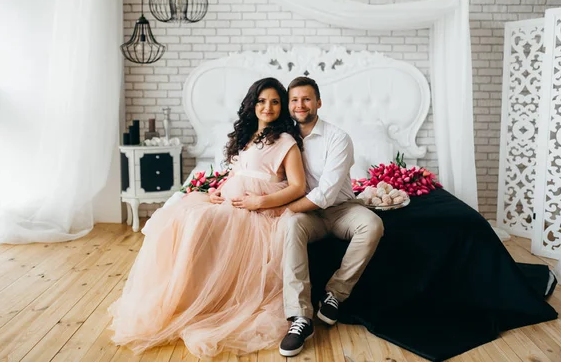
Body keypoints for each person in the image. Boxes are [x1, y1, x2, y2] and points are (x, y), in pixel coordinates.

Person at [108, 77, 307, 357]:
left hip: (257, 209)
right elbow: (237, 174)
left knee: (198, 222)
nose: (268, 107)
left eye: (275, 101)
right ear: (252, 104)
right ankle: (180, 298)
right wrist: (219, 190)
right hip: (230, 200)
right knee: (179, 217)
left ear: (283, 106)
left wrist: (259, 201)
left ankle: (203, 302)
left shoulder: (286, 141)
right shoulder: (247, 137)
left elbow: (298, 186)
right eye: (262, 101)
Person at [276, 76, 385, 357]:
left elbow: (325, 195)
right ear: (288, 105)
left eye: (307, 99)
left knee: (372, 224)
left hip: (340, 209)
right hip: (307, 215)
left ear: (319, 103)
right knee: (291, 227)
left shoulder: (338, 137)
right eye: (295, 100)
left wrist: (282, 208)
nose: (301, 105)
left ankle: (335, 294)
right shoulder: (282, 139)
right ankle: (300, 317)